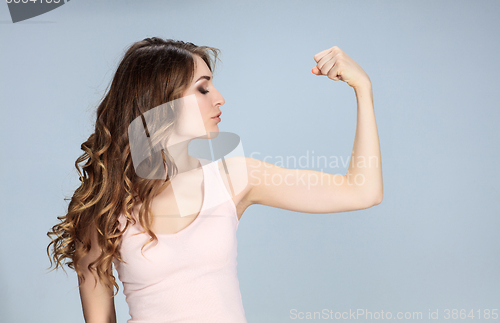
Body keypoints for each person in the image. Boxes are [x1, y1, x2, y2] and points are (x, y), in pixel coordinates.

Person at [46, 37, 383, 323]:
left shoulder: (234, 177)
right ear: (161, 103)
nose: (219, 98)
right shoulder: (102, 208)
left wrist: (363, 88)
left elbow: (362, 191)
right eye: (203, 89)